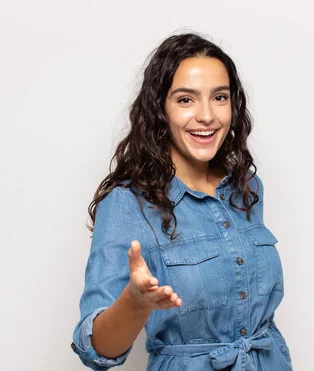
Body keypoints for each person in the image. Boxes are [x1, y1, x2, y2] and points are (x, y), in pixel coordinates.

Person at [71, 32, 293, 371]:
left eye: (219, 97)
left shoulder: (246, 188)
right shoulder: (127, 205)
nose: (206, 116)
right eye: (186, 100)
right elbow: (96, 349)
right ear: (160, 109)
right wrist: (135, 302)